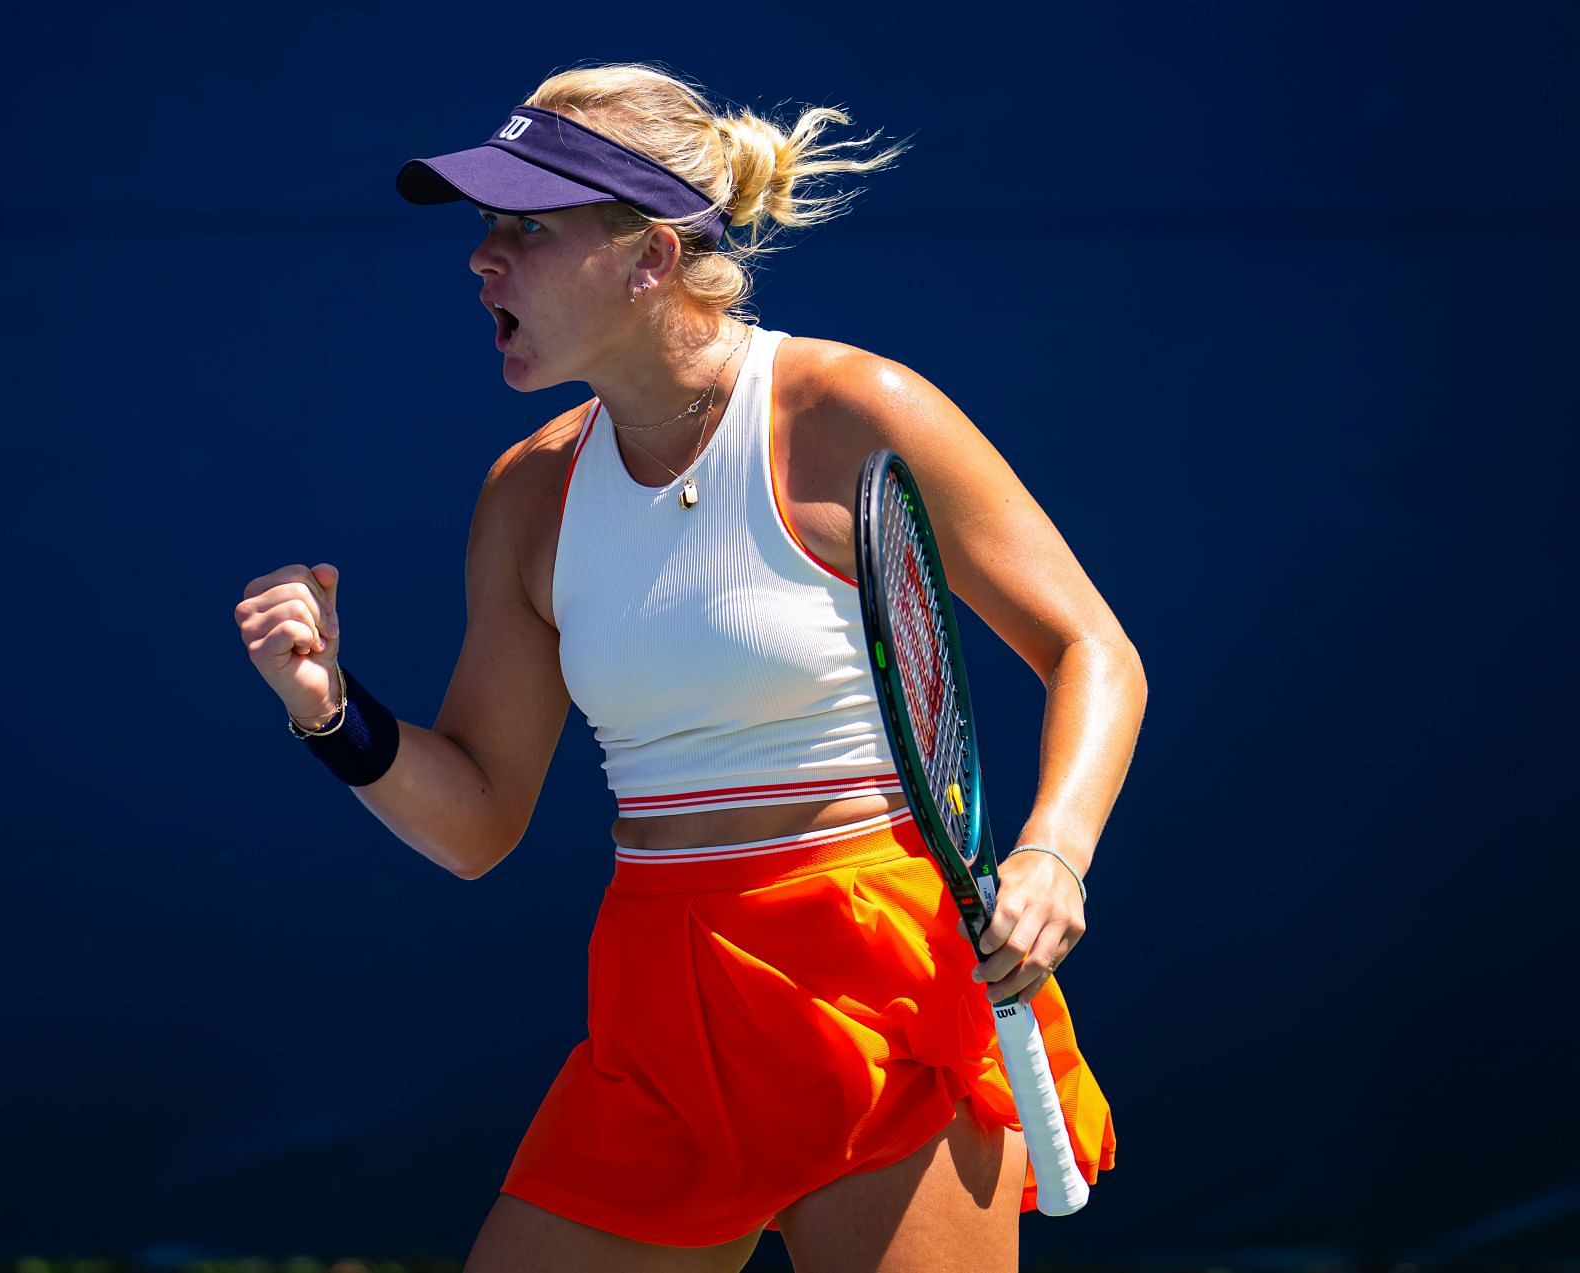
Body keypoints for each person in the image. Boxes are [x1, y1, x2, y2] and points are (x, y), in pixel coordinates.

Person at [236, 62, 1145, 1273]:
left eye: (526, 228)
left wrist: (1053, 853)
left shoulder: (850, 407)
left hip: (877, 984)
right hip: (660, 1010)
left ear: (648, 258)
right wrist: (332, 714)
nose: (482, 258)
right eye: (484, 229)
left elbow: (1093, 649)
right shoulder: (528, 496)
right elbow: (477, 822)